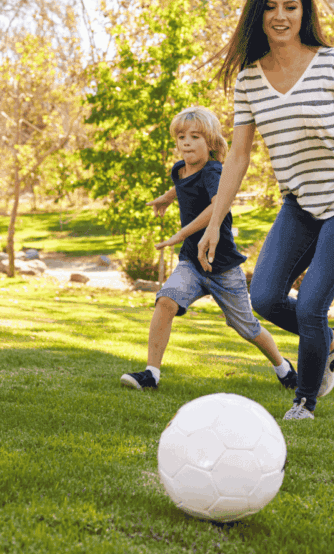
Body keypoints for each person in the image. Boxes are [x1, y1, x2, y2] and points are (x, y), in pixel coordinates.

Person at [198, 0, 334, 421]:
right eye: (271, 7)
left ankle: (305, 401)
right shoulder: (249, 81)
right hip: (299, 205)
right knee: (264, 298)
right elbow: (238, 156)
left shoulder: (333, 63)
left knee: (314, 304)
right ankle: (333, 343)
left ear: (304, 14)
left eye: (291, 7)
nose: (281, 16)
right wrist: (215, 223)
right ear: (258, 16)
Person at [120, 106, 298, 391]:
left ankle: (284, 369)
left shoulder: (214, 172)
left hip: (223, 266)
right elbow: (182, 187)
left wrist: (181, 233)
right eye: (181, 137)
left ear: (211, 143)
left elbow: (218, 204)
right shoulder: (179, 170)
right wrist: (167, 198)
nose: (186, 142)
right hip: (191, 262)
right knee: (165, 300)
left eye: (195, 137)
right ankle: (151, 374)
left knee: (247, 328)